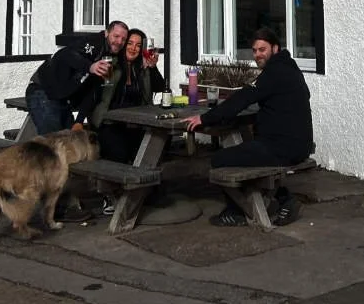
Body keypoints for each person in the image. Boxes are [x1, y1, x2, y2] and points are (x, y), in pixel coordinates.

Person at [182, 27, 313, 227]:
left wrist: (205, 119)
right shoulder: (289, 68)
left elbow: (242, 99)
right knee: (247, 152)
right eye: (254, 50)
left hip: (283, 147)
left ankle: (239, 211)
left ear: (275, 48)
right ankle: (281, 199)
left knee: (220, 159)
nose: (258, 55)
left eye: (263, 49)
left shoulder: (273, 73)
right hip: (297, 144)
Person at [76, 28, 165, 163]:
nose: (133, 48)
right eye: (130, 43)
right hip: (109, 123)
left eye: (138, 45)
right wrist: (79, 121)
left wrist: (153, 67)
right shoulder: (111, 64)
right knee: (120, 154)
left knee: (157, 146)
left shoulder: (142, 69)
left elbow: (160, 87)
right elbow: (93, 91)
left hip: (136, 124)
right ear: (124, 45)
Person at [26, 19, 129, 135]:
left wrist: (79, 121)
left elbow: (92, 90)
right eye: (116, 36)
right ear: (106, 33)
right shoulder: (94, 42)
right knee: (52, 142)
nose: (119, 41)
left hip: (61, 98)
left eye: (123, 39)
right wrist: (90, 67)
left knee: (68, 143)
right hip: (42, 90)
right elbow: (66, 54)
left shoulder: (108, 56)